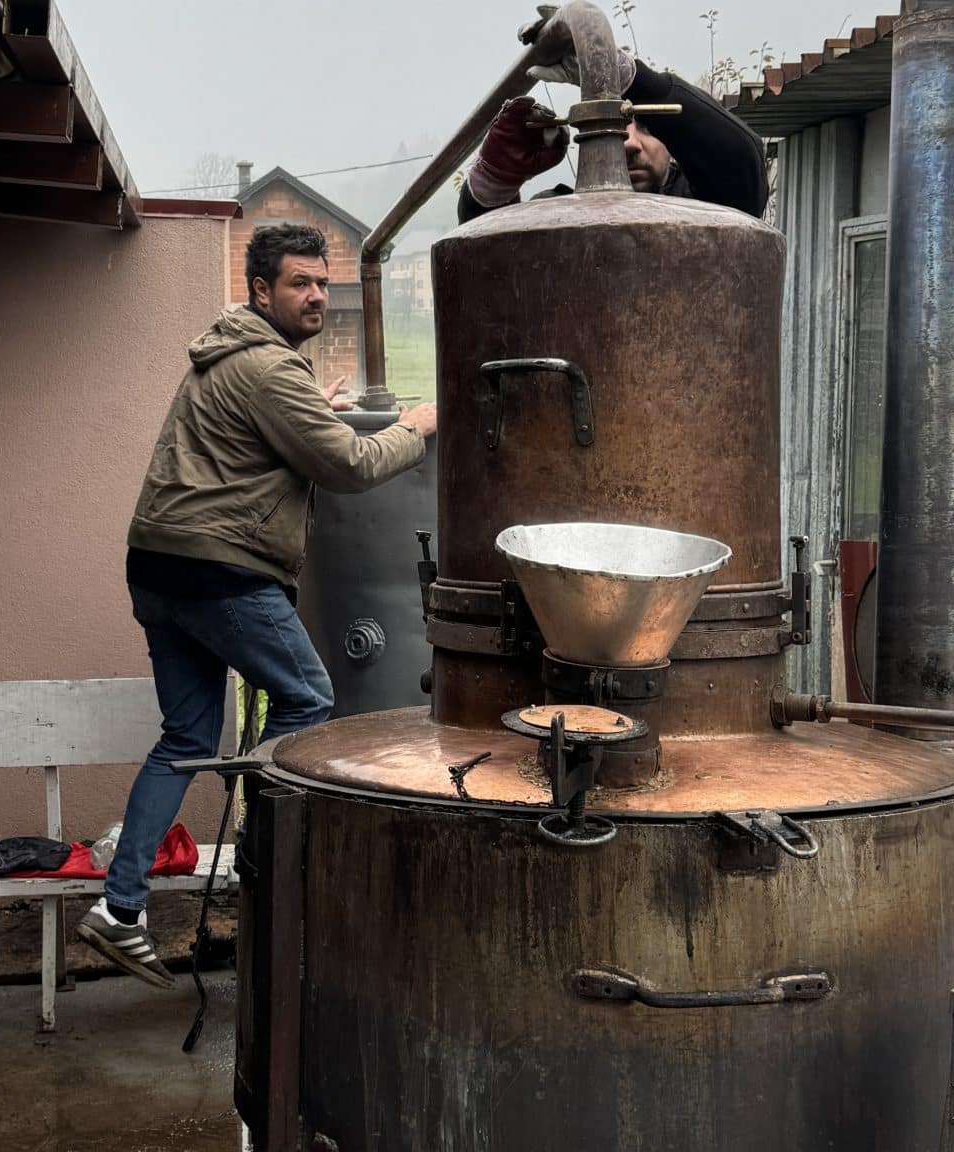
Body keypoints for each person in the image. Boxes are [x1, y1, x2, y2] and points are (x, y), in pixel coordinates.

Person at [78, 224, 440, 986]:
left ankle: (120, 909)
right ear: (260, 291)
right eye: (299, 283)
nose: (316, 295)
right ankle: (262, 852)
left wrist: (315, 403)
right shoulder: (272, 373)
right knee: (309, 698)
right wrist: (415, 428)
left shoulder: (234, 358)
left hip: (158, 568)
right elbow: (347, 464)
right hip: (219, 571)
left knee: (186, 734)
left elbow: (261, 431)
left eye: (322, 282)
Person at [459, 23, 769, 222]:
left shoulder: (710, 209)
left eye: (646, 124)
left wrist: (634, 79)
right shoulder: (555, 218)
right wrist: (495, 180)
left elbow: (740, 162)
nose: (630, 143)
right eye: (617, 127)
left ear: (674, 140)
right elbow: (486, 265)